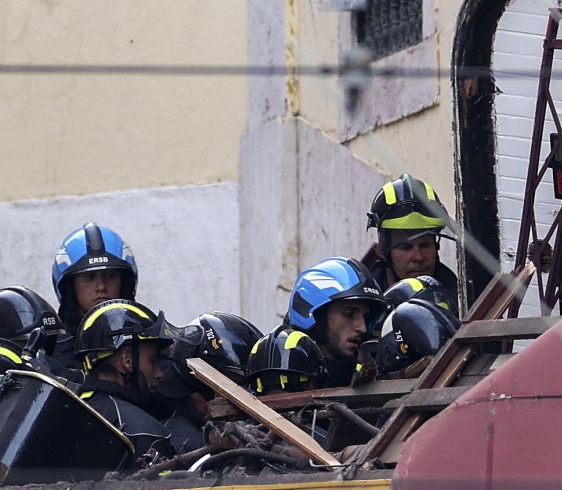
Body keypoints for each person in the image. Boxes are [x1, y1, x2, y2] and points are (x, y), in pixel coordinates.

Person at [256, 257, 386, 391]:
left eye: (366, 317)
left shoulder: (370, 378)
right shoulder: (279, 379)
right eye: (349, 313)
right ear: (312, 313)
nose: (362, 328)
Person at [75, 299, 176, 461]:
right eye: (153, 360)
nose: (159, 373)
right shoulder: (145, 432)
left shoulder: (67, 411)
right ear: (127, 360)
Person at [154, 312, 261, 453]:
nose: (248, 395)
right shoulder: (183, 444)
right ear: (200, 385)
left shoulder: (225, 435)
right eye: (236, 386)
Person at [44, 224, 138, 375]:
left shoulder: (146, 341)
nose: (101, 286)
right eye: (89, 277)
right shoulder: (49, 352)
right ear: (69, 287)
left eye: (110, 276)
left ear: (125, 283)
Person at [362, 174, 461, 313]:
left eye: (425, 245)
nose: (418, 257)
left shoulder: (460, 301)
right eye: (406, 247)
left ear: (436, 246)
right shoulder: (363, 308)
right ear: (383, 252)